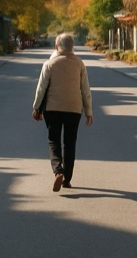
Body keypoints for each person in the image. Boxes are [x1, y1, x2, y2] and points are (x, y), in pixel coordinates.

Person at [32, 33, 93, 191]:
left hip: (53, 108)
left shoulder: (49, 64)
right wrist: (89, 112)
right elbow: (85, 89)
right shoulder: (80, 64)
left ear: (56, 46)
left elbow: (41, 89)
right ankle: (67, 178)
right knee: (70, 143)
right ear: (73, 47)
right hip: (74, 109)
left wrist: (36, 107)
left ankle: (58, 171)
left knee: (54, 140)